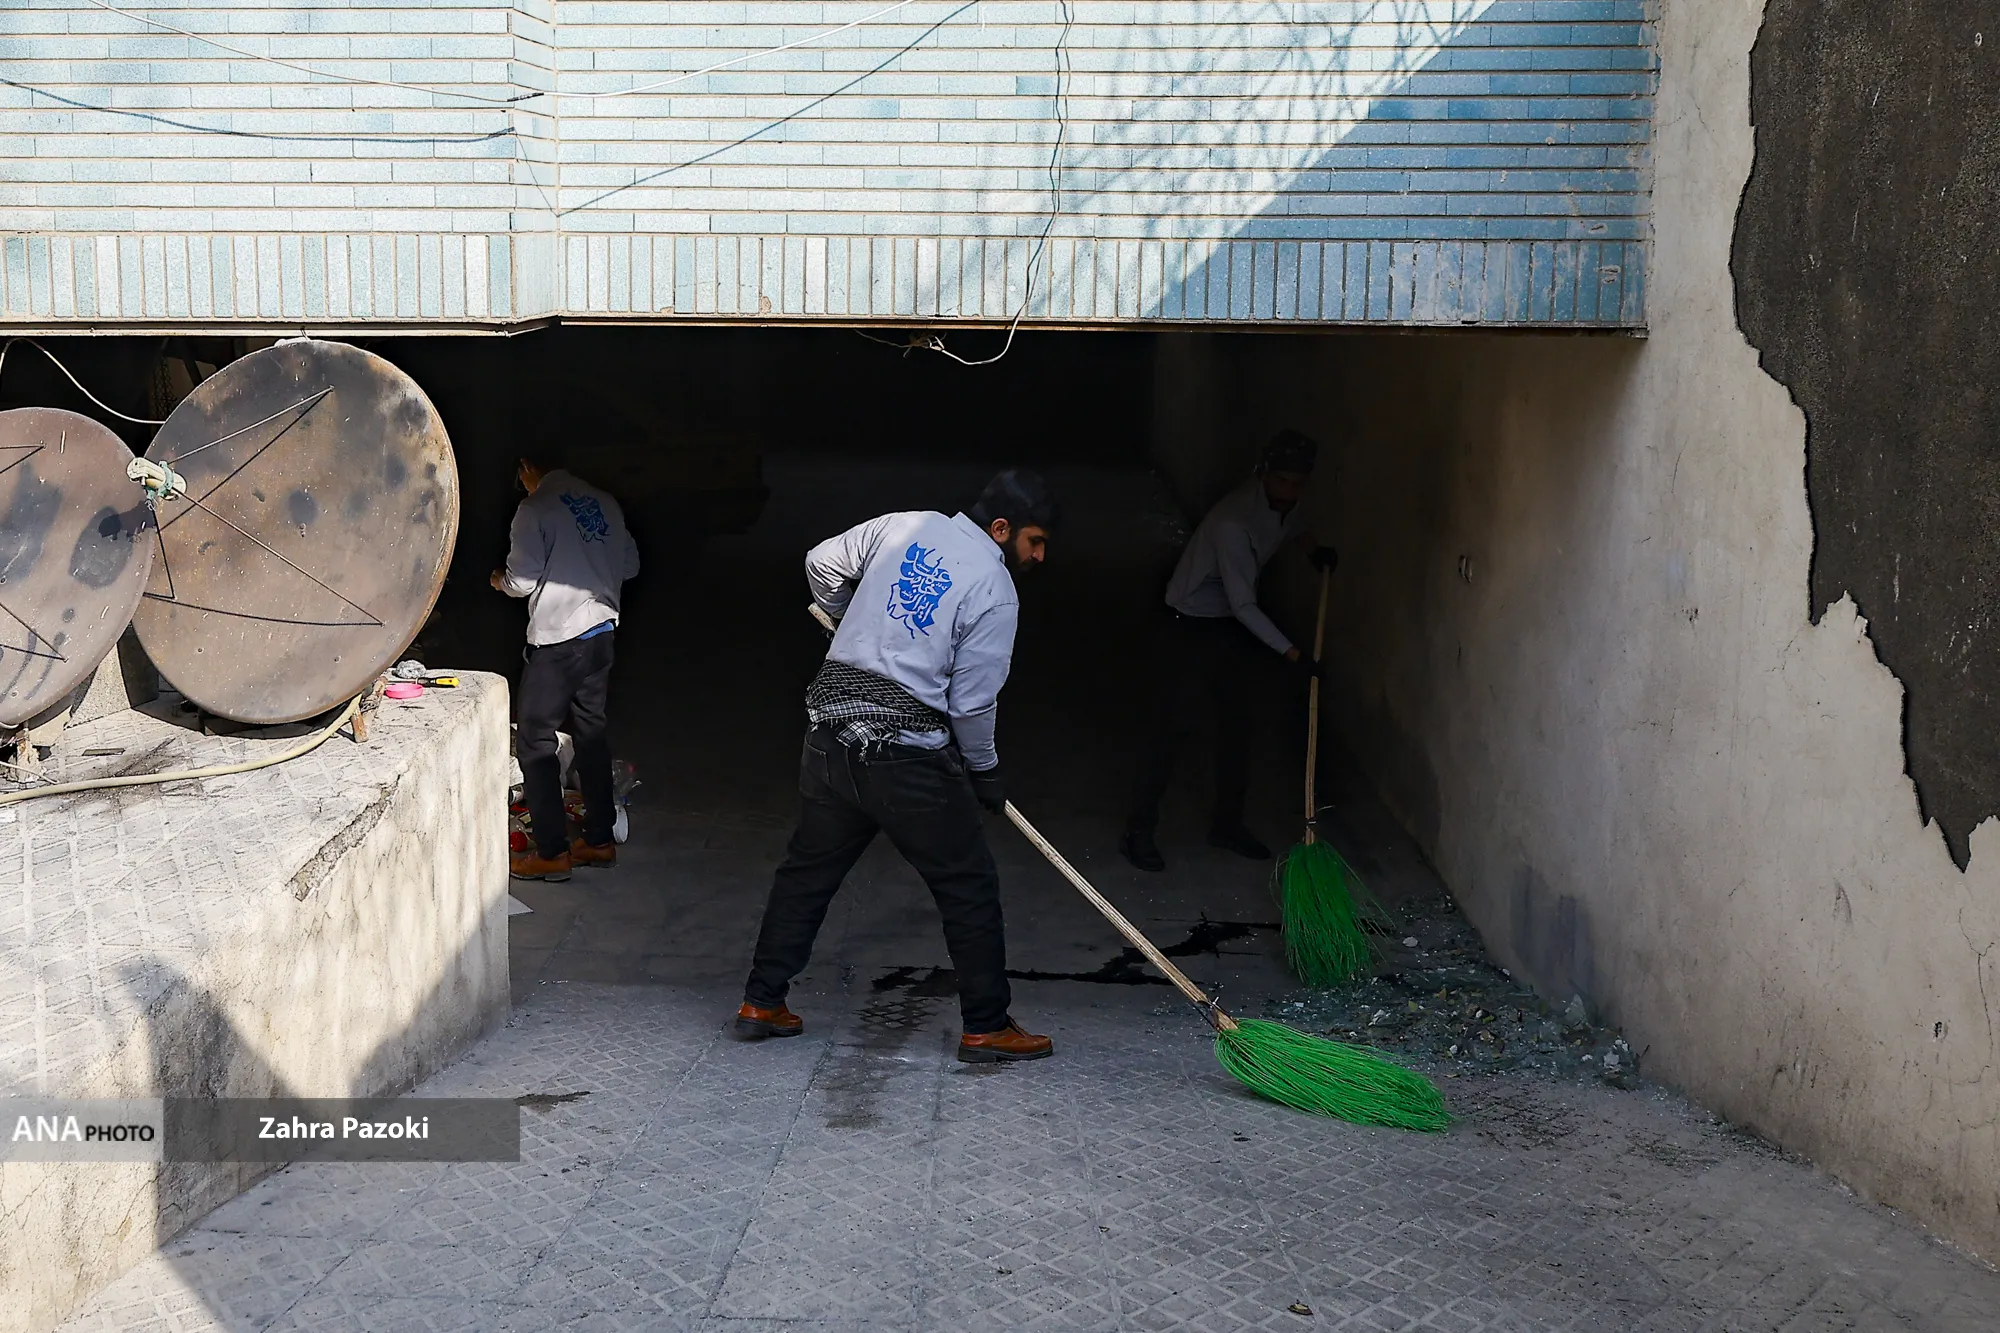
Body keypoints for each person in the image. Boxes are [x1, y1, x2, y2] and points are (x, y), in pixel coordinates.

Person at [737, 470, 1058, 1063]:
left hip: (830, 740)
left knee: (807, 874)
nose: (1039, 555)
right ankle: (987, 1027)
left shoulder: (906, 526)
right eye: (1035, 540)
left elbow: (821, 562)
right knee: (967, 886)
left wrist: (844, 619)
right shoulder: (994, 588)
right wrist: (985, 770)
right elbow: (971, 703)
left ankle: (762, 1001)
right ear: (1002, 528)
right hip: (906, 762)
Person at [1121, 429, 1337, 872]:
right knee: (1172, 729)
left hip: (1227, 625)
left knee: (1238, 725)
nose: (1288, 490)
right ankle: (1138, 832)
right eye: (1281, 481)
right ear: (1264, 474)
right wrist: (1293, 655)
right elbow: (1244, 605)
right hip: (1188, 623)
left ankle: (1227, 825)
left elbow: (1293, 524)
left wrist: (1315, 553)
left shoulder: (1286, 504)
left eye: (1297, 483)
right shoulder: (1232, 523)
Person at [493, 457, 641, 882]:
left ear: (527, 468)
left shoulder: (535, 508)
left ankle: (552, 852)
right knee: (590, 734)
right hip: (601, 633)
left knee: (535, 741)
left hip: (559, 641)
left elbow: (522, 581)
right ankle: (599, 841)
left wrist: (498, 580)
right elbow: (629, 566)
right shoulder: (606, 502)